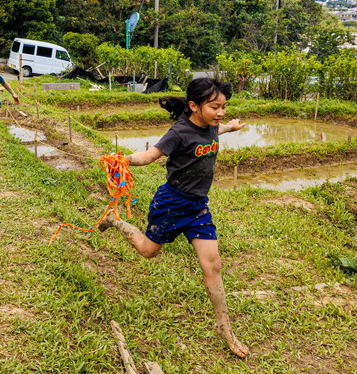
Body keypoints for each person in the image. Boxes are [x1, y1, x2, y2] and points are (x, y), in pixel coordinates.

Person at [99, 77, 250, 358]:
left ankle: (225, 329)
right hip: (171, 204)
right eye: (215, 107)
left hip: (198, 207)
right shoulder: (179, 132)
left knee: (213, 266)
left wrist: (232, 127)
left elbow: (219, 129)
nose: (221, 112)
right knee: (147, 251)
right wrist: (122, 159)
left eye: (224, 107)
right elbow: (149, 156)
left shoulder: (212, 125)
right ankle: (116, 222)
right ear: (193, 106)